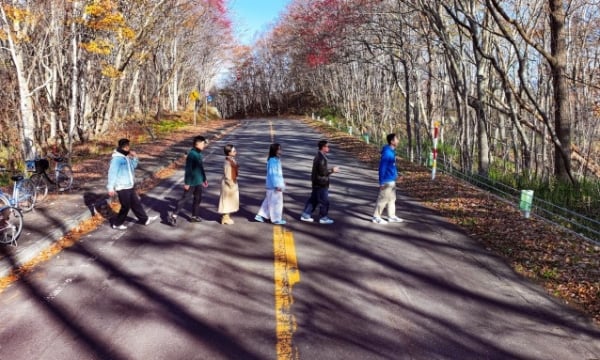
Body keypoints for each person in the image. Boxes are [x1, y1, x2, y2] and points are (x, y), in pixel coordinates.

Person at [107, 138, 158, 230]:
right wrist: (110, 187)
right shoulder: (116, 159)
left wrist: (135, 157)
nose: (128, 148)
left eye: (128, 146)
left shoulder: (126, 157)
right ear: (122, 147)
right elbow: (112, 173)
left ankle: (144, 219)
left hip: (129, 186)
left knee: (136, 203)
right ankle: (117, 224)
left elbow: (133, 166)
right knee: (125, 206)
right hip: (122, 187)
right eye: (126, 146)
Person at [169, 135, 208, 225]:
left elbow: (200, 168)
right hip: (192, 182)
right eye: (202, 144)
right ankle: (173, 216)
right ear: (197, 144)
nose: (204, 145)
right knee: (185, 199)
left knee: (198, 199)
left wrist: (204, 179)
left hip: (199, 181)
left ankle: (194, 216)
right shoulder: (191, 154)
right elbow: (188, 170)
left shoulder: (198, 154)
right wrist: (187, 183)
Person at [300, 140, 340, 224]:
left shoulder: (319, 156)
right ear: (323, 147)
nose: (328, 148)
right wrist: (332, 170)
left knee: (314, 200)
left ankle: (306, 215)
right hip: (321, 183)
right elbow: (323, 172)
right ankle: (323, 218)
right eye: (327, 146)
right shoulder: (321, 158)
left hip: (317, 182)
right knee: (324, 201)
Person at [372, 133, 404, 224]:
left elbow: (392, 166)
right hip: (386, 180)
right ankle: (376, 217)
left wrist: (396, 176)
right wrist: (381, 182)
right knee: (383, 199)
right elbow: (382, 168)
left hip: (392, 179)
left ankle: (391, 216)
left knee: (392, 199)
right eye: (396, 139)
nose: (398, 141)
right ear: (392, 141)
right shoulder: (387, 153)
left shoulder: (392, 151)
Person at [255, 143, 286, 225]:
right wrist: (277, 185)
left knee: (269, 201)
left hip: (272, 185)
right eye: (279, 149)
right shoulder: (273, 160)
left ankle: (261, 216)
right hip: (274, 186)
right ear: (275, 150)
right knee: (277, 203)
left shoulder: (275, 159)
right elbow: (273, 174)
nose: (280, 150)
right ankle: (276, 219)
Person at [217, 144, 240, 225]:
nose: (235, 152)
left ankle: (227, 216)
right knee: (227, 201)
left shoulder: (231, 159)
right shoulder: (227, 162)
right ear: (229, 153)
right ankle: (225, 218)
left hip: (232, 182)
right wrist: (232, 184)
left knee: (231, 200)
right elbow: (227, 175)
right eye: (234, 151)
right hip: (228, 184)